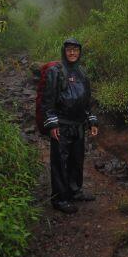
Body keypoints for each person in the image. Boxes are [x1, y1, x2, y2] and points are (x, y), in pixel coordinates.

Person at [42, 38, 99, 214]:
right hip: (62, 124)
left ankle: (75, 190)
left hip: (78, 124)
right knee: (60, 161)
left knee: (77, 158)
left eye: (75, 50)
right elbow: (48, 100)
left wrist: (92, 120)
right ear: (64, 52)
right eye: (69, 50)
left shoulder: (82, 72)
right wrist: (52, 123)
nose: (72, 53)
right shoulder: (56, 71)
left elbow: (87, 100)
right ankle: (59, 198)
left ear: (79, 52)